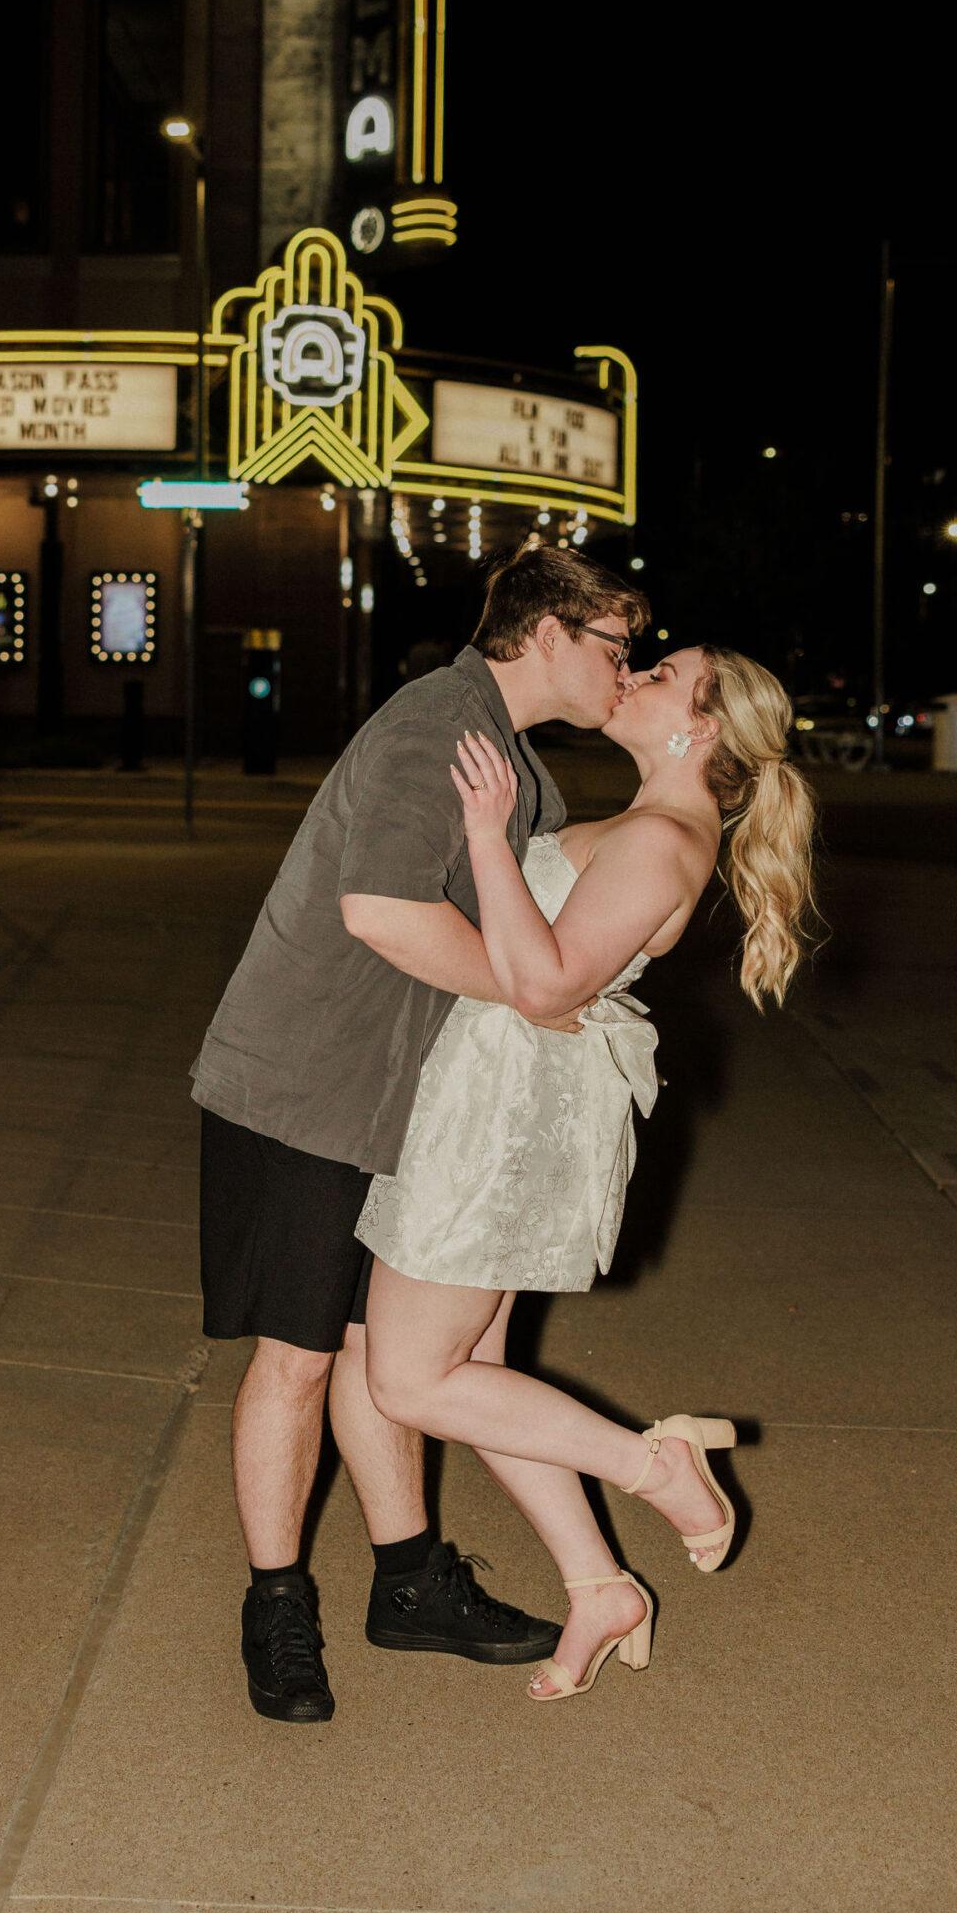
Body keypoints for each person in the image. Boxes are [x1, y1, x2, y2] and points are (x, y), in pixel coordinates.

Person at [190, 547, 649, 1723]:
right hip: (306, 1085)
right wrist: (532, 991)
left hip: (411, 1104)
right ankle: (276, 1601)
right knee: (296, 1357)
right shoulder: (437, 726)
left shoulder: (525, 776)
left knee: (378, 1352)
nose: (624, 667)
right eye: (613, 644)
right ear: (547, 634)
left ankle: (409, 1584)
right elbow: (382, 910)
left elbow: (555, 894)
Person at [357, 644, 817, 1702]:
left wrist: (485, 837)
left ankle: (652, 1465)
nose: (638, 674)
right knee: (479, 1375)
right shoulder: (649, 824)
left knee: (410, 1377)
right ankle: (598, 1582)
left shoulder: (662, 838)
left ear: (697, 727)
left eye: (661, 673)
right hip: (496, 1100)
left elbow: (546, 980)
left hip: (502, 1117)